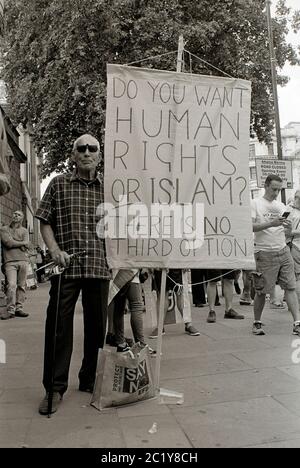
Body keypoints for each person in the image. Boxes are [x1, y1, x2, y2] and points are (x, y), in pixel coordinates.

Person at [35, 134, 110, 415]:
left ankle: (89, 378)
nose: (87, 152)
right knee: (58, 327)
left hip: (99, 268)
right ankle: (54, 389)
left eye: (93, 149)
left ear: (100, 156)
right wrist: (53, 249)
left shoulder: (109, 189)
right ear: (74, 154)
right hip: (65, 269)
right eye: (82, 148)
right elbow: (44, 220)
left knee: (96, 328)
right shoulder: (58, 184)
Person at [251, 174, 300, 336]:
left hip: (283, 249)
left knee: (291, 287)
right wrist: (271, 223)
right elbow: (250, 227)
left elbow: (287, 230)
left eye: (279, 190)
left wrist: (287, 227)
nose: (276, 193)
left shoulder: (282, 206)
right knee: (262, 290)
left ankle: (297, 323)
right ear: (265, 186)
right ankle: (257, 322)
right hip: (264, 251)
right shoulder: (255, 203)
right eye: (274, 189)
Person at [149, 269, 200, 337]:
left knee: (181, 294)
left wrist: (186, 262)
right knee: (162, 294)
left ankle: (188, 324)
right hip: (161, 265)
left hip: (177, 265)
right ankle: (160, 327)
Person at [0, 211, 29, 320]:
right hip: (10, 262)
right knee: (12, 285)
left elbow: (27, 246)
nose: (16, 216)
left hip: (23, 261)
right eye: (14, 214)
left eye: (19, 215)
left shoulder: (25, 231)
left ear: (22, 218)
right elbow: (8, 243)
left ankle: (19, 309)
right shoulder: (4, 229)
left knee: (21, 286)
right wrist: (22, 242)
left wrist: (17, 242)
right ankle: (10, 310)